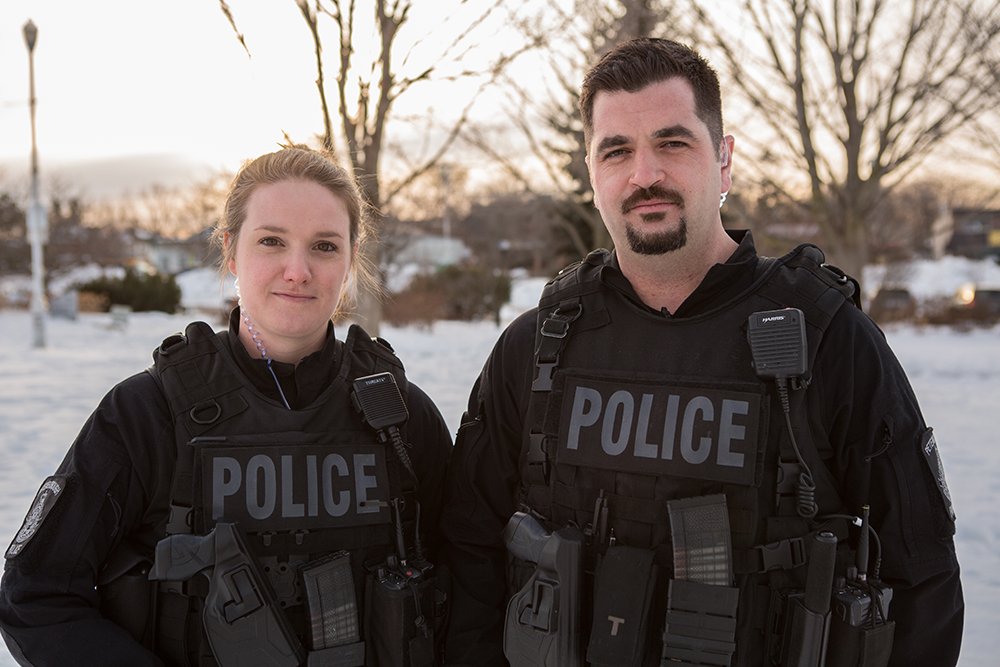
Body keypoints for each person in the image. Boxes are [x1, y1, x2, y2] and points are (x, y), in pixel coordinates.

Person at [440, 38, 963, 667]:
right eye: (617, 151)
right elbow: (467, 561)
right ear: (592, 174)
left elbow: (921, 582)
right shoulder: (536, 349)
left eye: (672, 143)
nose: (644, 174)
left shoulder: (828, 341)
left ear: (723, 160)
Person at [0, 146, 453, 666]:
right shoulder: (146, 413)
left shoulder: (399, 417)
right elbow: (36, 596)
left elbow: (468, 581)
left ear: (351, 259)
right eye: (272, 242)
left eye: (325, 246)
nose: (297, 270)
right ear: (231, 250)